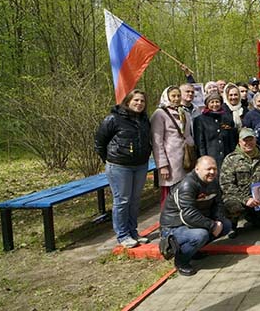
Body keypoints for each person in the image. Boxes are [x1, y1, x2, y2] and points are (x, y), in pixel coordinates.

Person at [94, 89, 153, 249]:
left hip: (140, 165)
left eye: (142, 101)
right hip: (119, 166)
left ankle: (133, 232)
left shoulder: (144, 120)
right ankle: (122, 235)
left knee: (134, 200)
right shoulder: (114, 119)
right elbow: (100, 142)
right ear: (127, 101)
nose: (139, 103)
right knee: (122, 200)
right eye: (136, 100)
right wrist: (109, 159)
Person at [159, 156, 232, 276]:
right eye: (208, 169)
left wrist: (218, 220)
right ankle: (181, 261)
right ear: (197, 169)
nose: (212, 172)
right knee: (200, 235)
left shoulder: (213, 182)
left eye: (214, 169)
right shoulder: (187, 185)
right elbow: (188, 215)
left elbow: (218, 203)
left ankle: (193, 251)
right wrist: (212, 225)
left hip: (192, 223)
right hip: (174, 227)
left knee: (226, 225)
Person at [219, 128, 260, 238]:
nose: (248, 143)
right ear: (239, 142)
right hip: (238, 197)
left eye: (251, 139)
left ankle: (256, 218)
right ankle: (232, 226)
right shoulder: (231, 159)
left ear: (255, 140)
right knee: (233, 206)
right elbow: (226, 185)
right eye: (245, 140)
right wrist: (246, 199)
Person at [150, 86, 195, 209]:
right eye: (173, 96)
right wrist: (162, 165)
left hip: (186, 157)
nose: (176, 99)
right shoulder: (159, 114)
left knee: (185, 190)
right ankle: (168, 220)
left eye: (178, 96)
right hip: (171, 160)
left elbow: (188, 134)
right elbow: (157, 142)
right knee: (170, 193)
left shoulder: (184, 112)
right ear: (167, 97)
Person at [193, 92, 238, 169]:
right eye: (212, 102)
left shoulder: (227, 118)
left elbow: (232, 140)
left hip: (226, 156)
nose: (215, 104)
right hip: (211, 155)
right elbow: (200, 142)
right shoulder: (200, 120)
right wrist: (203, 159)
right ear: (207, 104)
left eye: (217, 102)